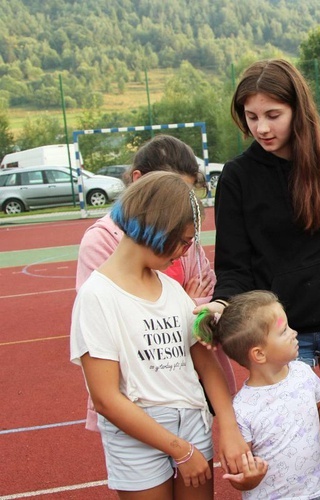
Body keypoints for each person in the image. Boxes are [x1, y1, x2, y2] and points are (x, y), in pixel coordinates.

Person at [206, 58, 320, 499]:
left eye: (273, 115)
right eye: (251, 117)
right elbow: (233, 263)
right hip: (278, 335)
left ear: (297, 109)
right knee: (289, 445)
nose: (262, 128)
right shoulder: (236, 177)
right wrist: (221, 302)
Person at [70, 171, 249, 498]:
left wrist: (230, 426)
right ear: (155, 226)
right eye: (182, 241)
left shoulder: (171, 290)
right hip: (137, 433)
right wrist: (180, 450)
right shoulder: (97, 296)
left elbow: (206, 367)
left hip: (192, 421)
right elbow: (106, 399)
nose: (185, 251)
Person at [76, 134, 236, 433]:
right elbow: (121, 323)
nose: (182, 208)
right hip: (139, 394)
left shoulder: (182, 240)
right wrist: (188, 306)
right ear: (139, 181)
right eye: (171, 194)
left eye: (187, 195)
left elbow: (208, 292)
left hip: (190, 384)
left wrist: (191, 305)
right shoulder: (100, 242)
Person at [194, 290, 320, 499]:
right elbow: (240, 472)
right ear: (259, 354)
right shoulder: (243, 409)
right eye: (283, 331)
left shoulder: (302, 373)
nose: (294, 332)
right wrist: (250, 478)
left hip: (315, 491)